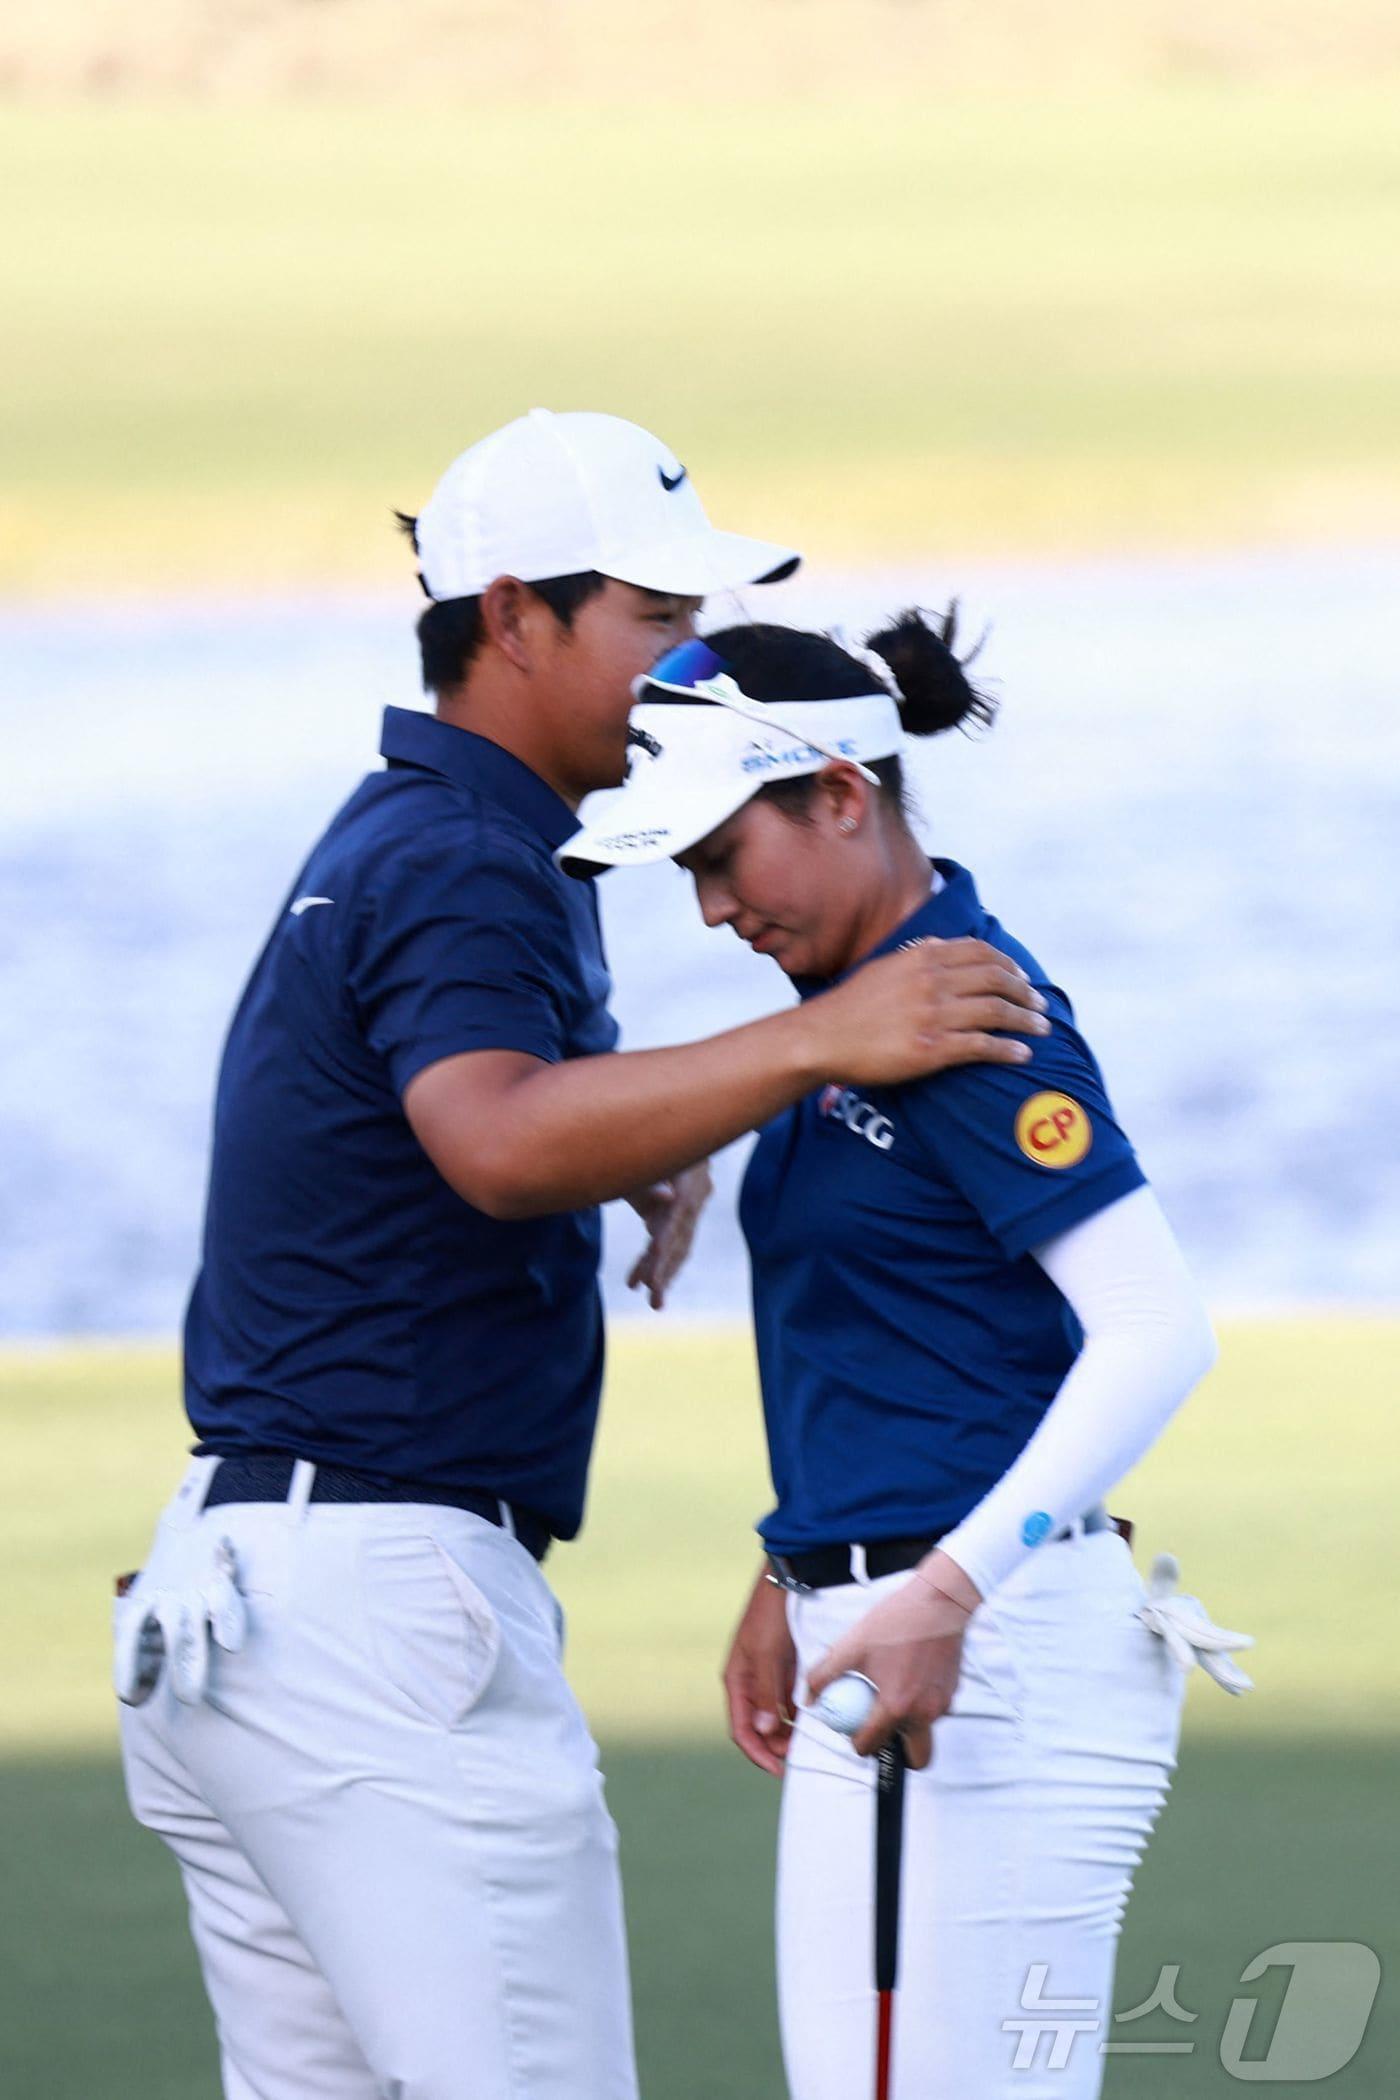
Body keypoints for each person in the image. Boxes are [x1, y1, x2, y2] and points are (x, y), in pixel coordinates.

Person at [113, 411, 1049, 2100]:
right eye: (650, 622)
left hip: (243, 1600)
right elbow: (492, 1137)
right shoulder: (468, 856)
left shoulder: (406, 832)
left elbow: (465, 1133)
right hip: (380, 1627)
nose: (684, 665)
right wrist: (821, 1035)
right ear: (514, 617)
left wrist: (639, 1135)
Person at [558, 611, 1253, 2099]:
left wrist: (940, 1587)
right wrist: (789, 1568)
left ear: (841, 794)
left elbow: (1154, 1330)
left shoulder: (963, 1009)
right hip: (882, 1633)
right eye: (683, 870)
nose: (708, 909)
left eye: (721, 854)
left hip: (987, 1650)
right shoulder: (846, 1029)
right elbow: (915, 1343)